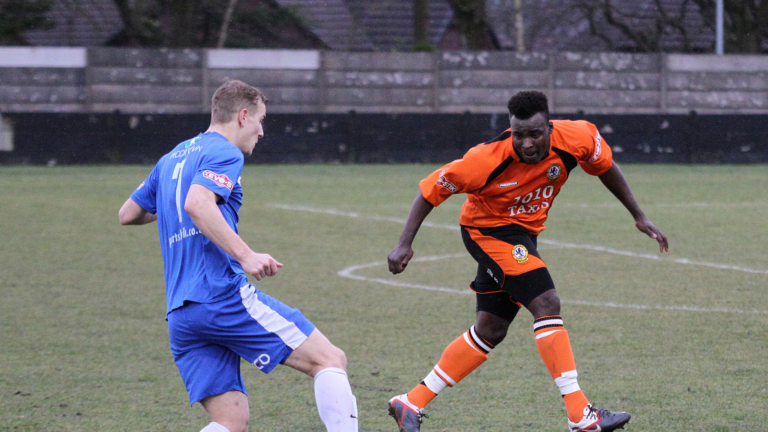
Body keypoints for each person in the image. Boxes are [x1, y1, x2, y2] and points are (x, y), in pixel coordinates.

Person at [386, 91, 668, 432]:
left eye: (535, 134)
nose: (527, 143)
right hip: (488, 233)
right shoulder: (483, 160)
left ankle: (410, 401)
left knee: (491, 329)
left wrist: (638, 215)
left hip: (523, 234)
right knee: (547, 303)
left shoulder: (578, 137)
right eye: (518, 135)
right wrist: (404, 243)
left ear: (549, 127)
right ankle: (580, 414)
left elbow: (605, 167)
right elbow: (431, 190)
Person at [119, 80, 358, 432]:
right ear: (243, 116)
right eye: (260, 121)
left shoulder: (171, 159)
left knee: (231, 423)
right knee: (329, 359)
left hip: (182, 314)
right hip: (219, 297)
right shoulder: (226, 153)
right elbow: (197, 203)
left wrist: (173, 206)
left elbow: (128, 213)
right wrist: (245, 255)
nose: (261, 132)